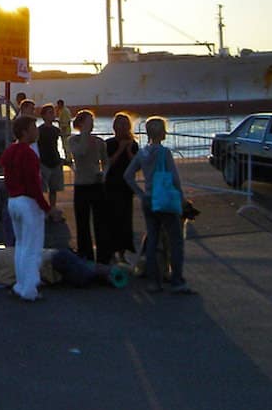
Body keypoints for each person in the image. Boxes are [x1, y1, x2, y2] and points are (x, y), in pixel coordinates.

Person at [124, 117, 192, 294]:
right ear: (162, 133)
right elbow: (175, 178)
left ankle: (154, 281)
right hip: (165, 199)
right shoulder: (164, 152)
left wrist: (140, 193)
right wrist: (182, 198)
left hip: (148, 199)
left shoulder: (143, 153)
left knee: (152, 240)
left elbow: (128, 175)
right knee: (175, 240)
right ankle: (177, 280)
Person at [0, 115, 51, 301]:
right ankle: (29, 288)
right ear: (24, 132)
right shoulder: (29, 154)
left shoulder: (10, 151)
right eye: (33, 128)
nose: (36, 131)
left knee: (21, 245)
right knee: (32, 247)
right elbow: (33, 186)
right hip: (28, 203)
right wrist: (47, 208)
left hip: (13, 201)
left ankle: (21, 284)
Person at [67, 110, 110, 263]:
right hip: (81, 185)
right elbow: (81, 152)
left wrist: (103, 173)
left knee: (101, 222)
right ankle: (85, 255)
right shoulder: (73, 140)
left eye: (92, 121)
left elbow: (106, 161)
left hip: (96, 184)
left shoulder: (99, 142)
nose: (91, 124)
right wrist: (84, 133)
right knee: (82, 223)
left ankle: (103, 257)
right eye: (88, 121)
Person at [103, 112, 139, 260]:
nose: (122, 127)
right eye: (120, 124)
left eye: (125, 124)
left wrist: (129, 150)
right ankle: (111, 250)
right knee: (111, 217)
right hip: (112, 184)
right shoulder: (109, 143)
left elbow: (136, 165)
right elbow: (108, 163)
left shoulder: (133, 144)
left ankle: (123, 251)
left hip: (126, 186)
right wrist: (120, 149)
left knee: (125, 218)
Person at [36, 104, 66, 219]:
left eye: (53, 113)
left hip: (55, 160)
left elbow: (59, 145)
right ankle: (44, 209)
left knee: (54, 188)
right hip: (44, 162)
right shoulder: (40, 131)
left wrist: (61, 158)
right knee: (42, 188)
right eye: (50, 113)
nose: (53, 115)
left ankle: (52, 208)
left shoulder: (56, 130)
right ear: (43, 116)